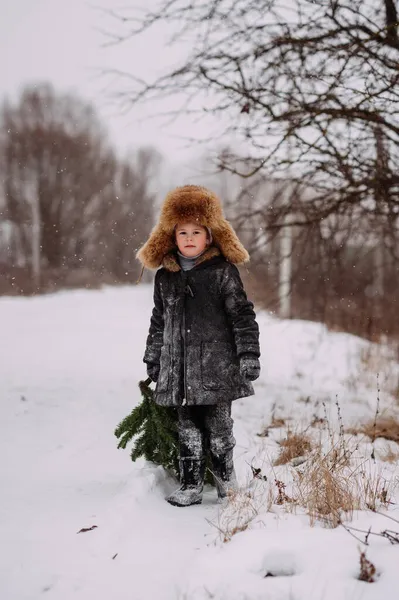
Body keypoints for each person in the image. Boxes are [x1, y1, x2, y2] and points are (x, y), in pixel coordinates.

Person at [137, 184, 260, 507]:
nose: (189, 238)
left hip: (217, 367)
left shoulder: (222, 273)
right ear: (172, 237)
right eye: (182, 232)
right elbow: (159, 320)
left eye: (196, 231)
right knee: (187, 428)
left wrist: (248, 354)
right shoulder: (165, 278)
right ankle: (190, 484)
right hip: (179, 369)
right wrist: (154, 358)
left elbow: (242, 316)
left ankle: (226, 483)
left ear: (209, 236)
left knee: (220, 427)